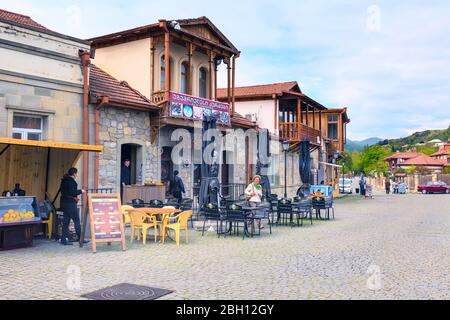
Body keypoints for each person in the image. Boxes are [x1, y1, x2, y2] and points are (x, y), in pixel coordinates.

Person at [59, 168, 85, 246]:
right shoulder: (71, 181)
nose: (77, 175)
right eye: (76, 173)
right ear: (74, 173)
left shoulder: (64, 180)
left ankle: (63, 240)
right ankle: (80, 238)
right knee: (76, 221)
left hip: (64, 203)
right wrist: (81, 191)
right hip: (70, 203)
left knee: (66, 222)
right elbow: (72, 192)